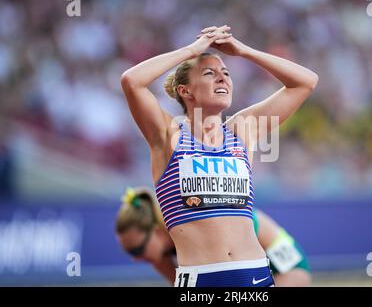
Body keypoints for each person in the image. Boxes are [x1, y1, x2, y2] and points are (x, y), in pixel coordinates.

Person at [120, 24, 318, 287]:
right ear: (185, 91)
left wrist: (244, 51)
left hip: (255, 276)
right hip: (202, 282)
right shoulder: (168, 136)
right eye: (209, 73)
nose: (223, 78)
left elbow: (305, 82)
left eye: (226, 73)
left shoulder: (241, 130)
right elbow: (132, 81)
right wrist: (192, 50)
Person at [116, 187, 311, 286]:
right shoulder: (158, 257)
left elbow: (297, 269)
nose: (136, 258)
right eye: (129, 252)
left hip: (287, 267)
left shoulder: (193, 225)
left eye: (137, 249)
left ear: (157, 232)